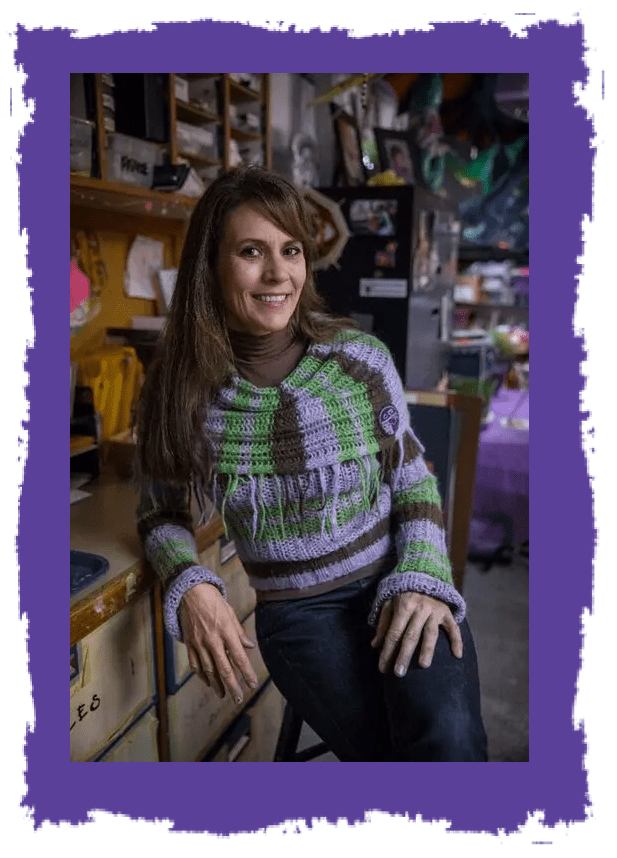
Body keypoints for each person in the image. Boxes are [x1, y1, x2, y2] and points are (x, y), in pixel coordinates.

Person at [134, 165, 488, 762]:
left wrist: (425, 575)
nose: (278, 274)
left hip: (401, 576)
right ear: (211, 266)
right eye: (252, 251)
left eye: (291, 250)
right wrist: (190, 582)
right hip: (299, 617)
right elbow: (157, 512)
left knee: (448, 743)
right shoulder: (179, 388)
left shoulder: (359, 359)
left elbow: (411, 476)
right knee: (389, 757)